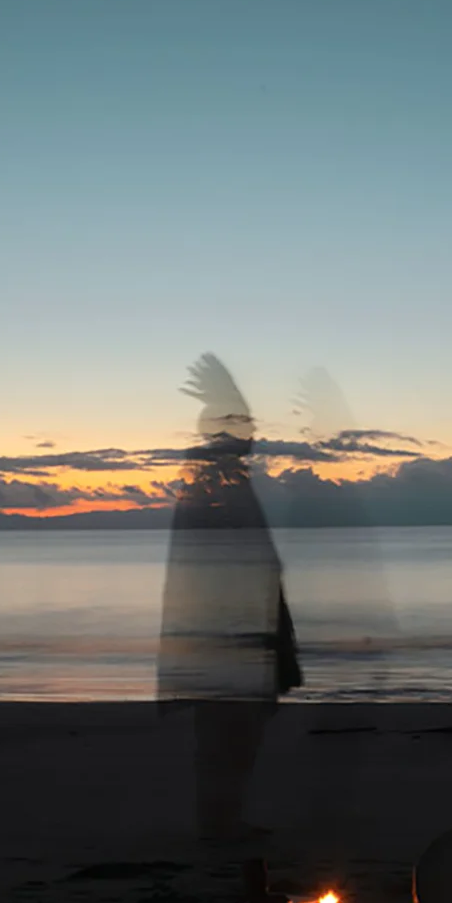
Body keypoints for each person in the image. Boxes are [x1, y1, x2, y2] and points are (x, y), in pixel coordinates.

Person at [158, 353, 301, 844]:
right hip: (227, 624)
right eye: (243, 423)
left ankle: (221, 816)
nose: (254, 433)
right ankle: (218, 820)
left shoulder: (221, 477)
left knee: (234, 727)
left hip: (236, 618)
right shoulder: (213, 479)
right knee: (228, 728)